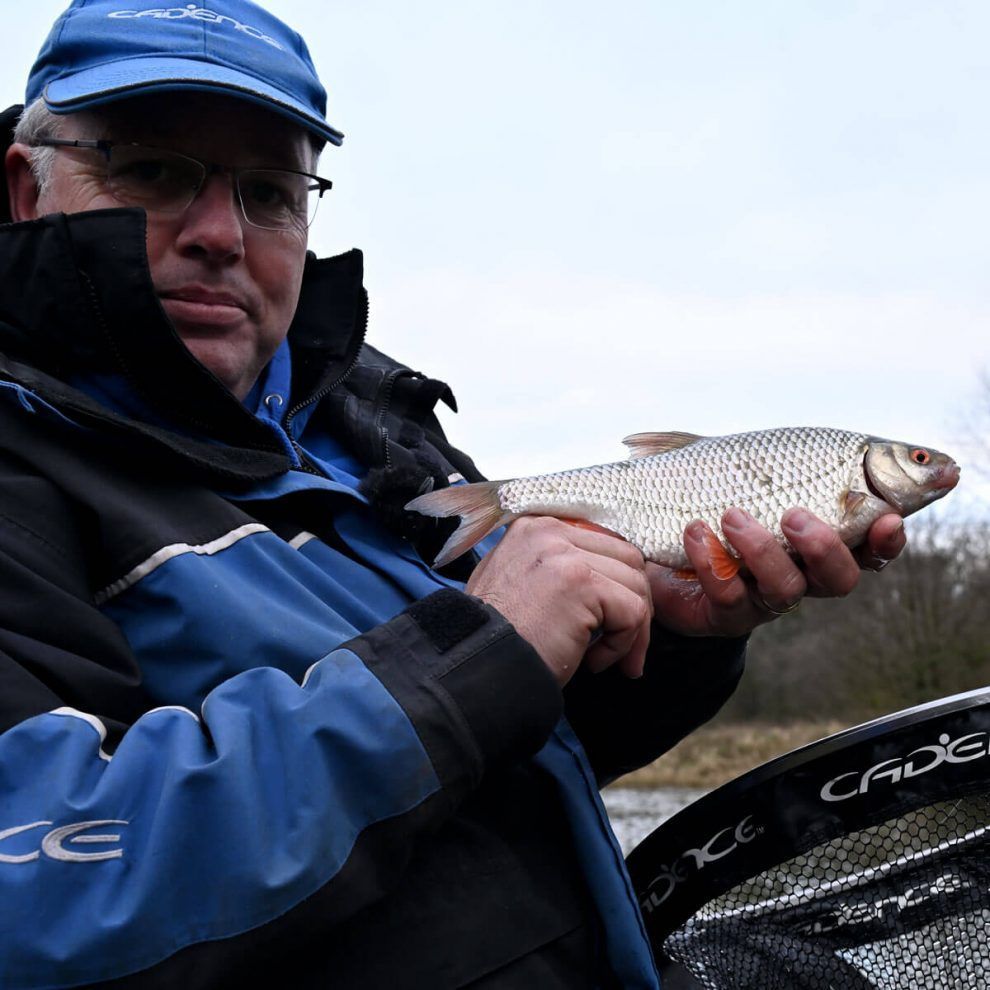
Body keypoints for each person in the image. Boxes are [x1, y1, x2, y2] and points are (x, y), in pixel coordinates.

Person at [0, 2, 906, 987]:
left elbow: (503, 762)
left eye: (269, 191)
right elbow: (38, 896)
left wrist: (674, 637)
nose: (222, 233)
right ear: (24, 187)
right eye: (152, 169)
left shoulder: (376, 430)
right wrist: (472, 661)